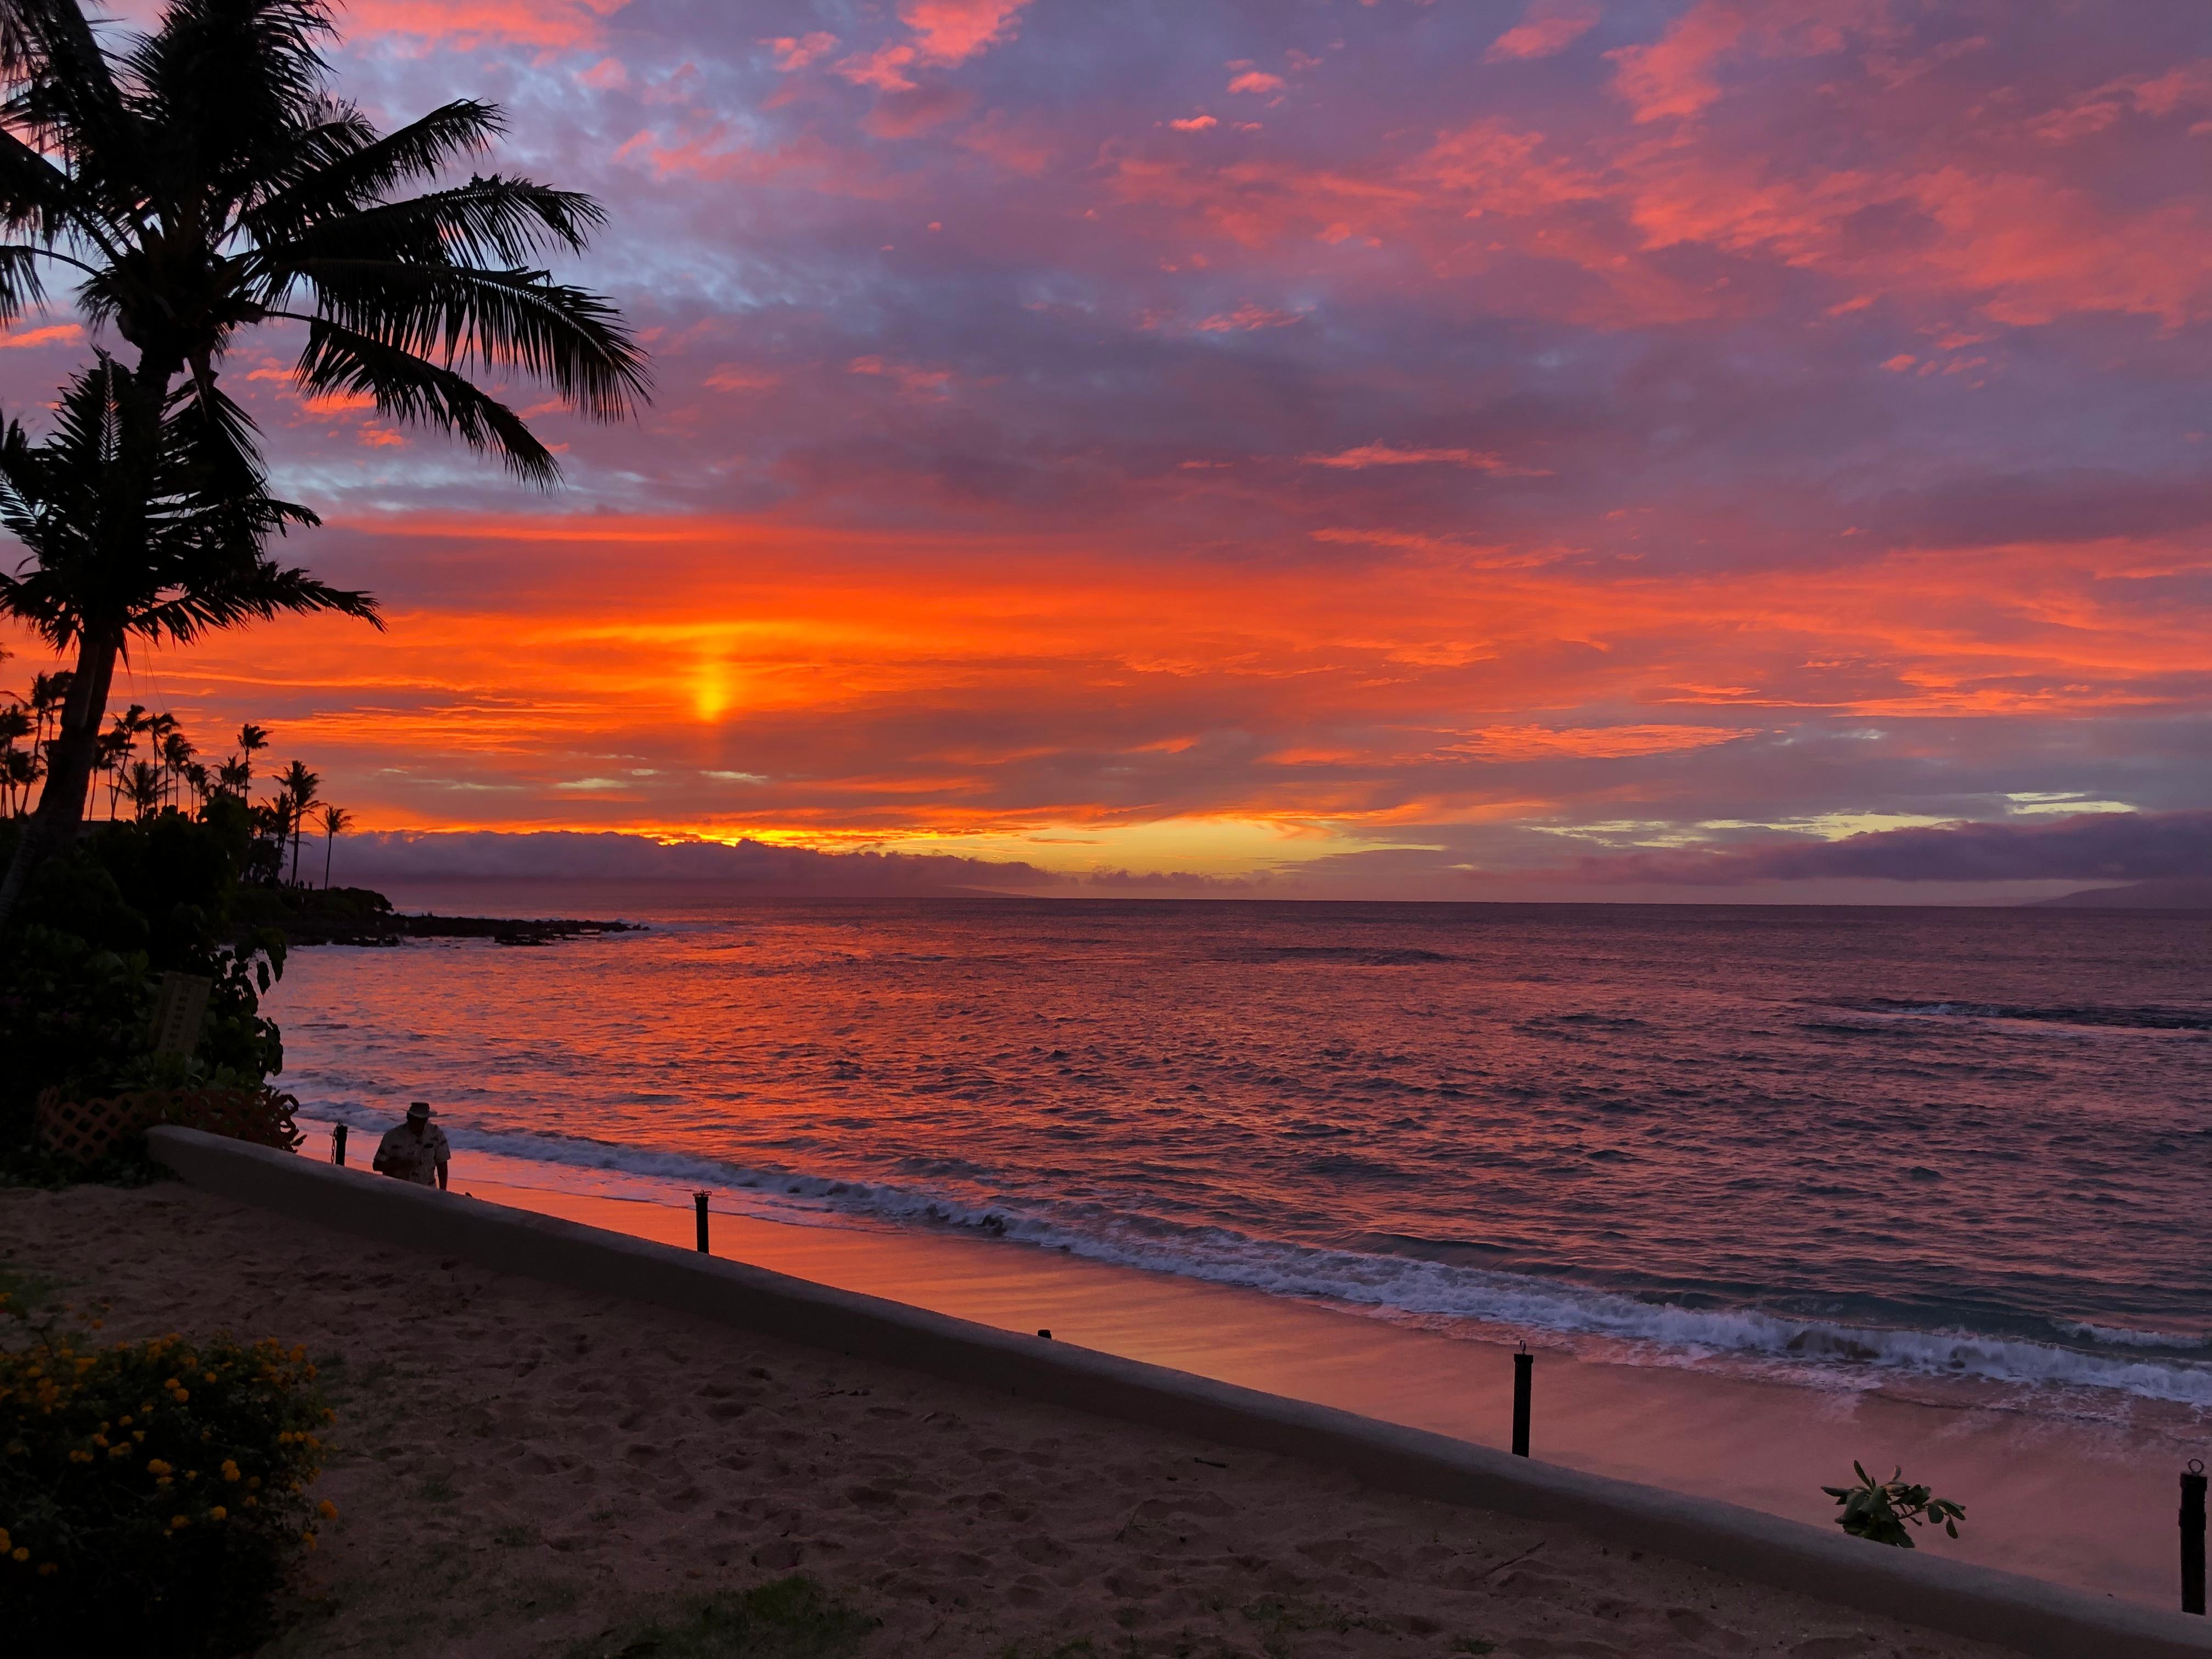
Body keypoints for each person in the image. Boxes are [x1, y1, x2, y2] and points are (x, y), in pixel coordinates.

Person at [372, 1101, 450, 1190]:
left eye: (423, 1120)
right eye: (417, 1120)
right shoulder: (392, 1137)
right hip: (397, 1189)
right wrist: (400, 1164)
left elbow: (442, 1166)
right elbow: (377, 1165)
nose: (420, 1124)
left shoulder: (436, 1134)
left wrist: (443, 1192)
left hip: (428, 1190)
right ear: (409, 1118)